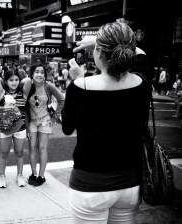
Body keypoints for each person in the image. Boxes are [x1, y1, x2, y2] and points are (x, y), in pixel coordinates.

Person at [62, 22, 150, 224]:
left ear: (98, 51)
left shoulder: (80, 86)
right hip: (130, 183)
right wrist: (100, 42)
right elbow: (142, 55)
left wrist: (77, 79)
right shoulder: (142, 83)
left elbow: (67, 128)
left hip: (90, 185)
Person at [26, 63, 64, 186]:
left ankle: (41, 176)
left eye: (42, 72)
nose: (39, 74)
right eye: (36, 72)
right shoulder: (27, 86)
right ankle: (33, 173)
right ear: (32, 74)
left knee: (42, 149)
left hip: (45, 121)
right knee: (32, 148)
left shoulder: (49, 86)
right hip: (31, 122)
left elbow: (61, 99)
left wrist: (55, 117)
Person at [0, 69, 31, 188]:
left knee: (19, 153)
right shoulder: (2, 94)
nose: (14, 82)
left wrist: (19, 83)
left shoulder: (23, 94)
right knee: (4, 153)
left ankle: (20, 175)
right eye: (11, 80)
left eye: (16, 80)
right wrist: (4, 83)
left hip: (20, 128)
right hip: (5, 128)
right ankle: (2, 176)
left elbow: (28, 80)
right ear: (6, 81)